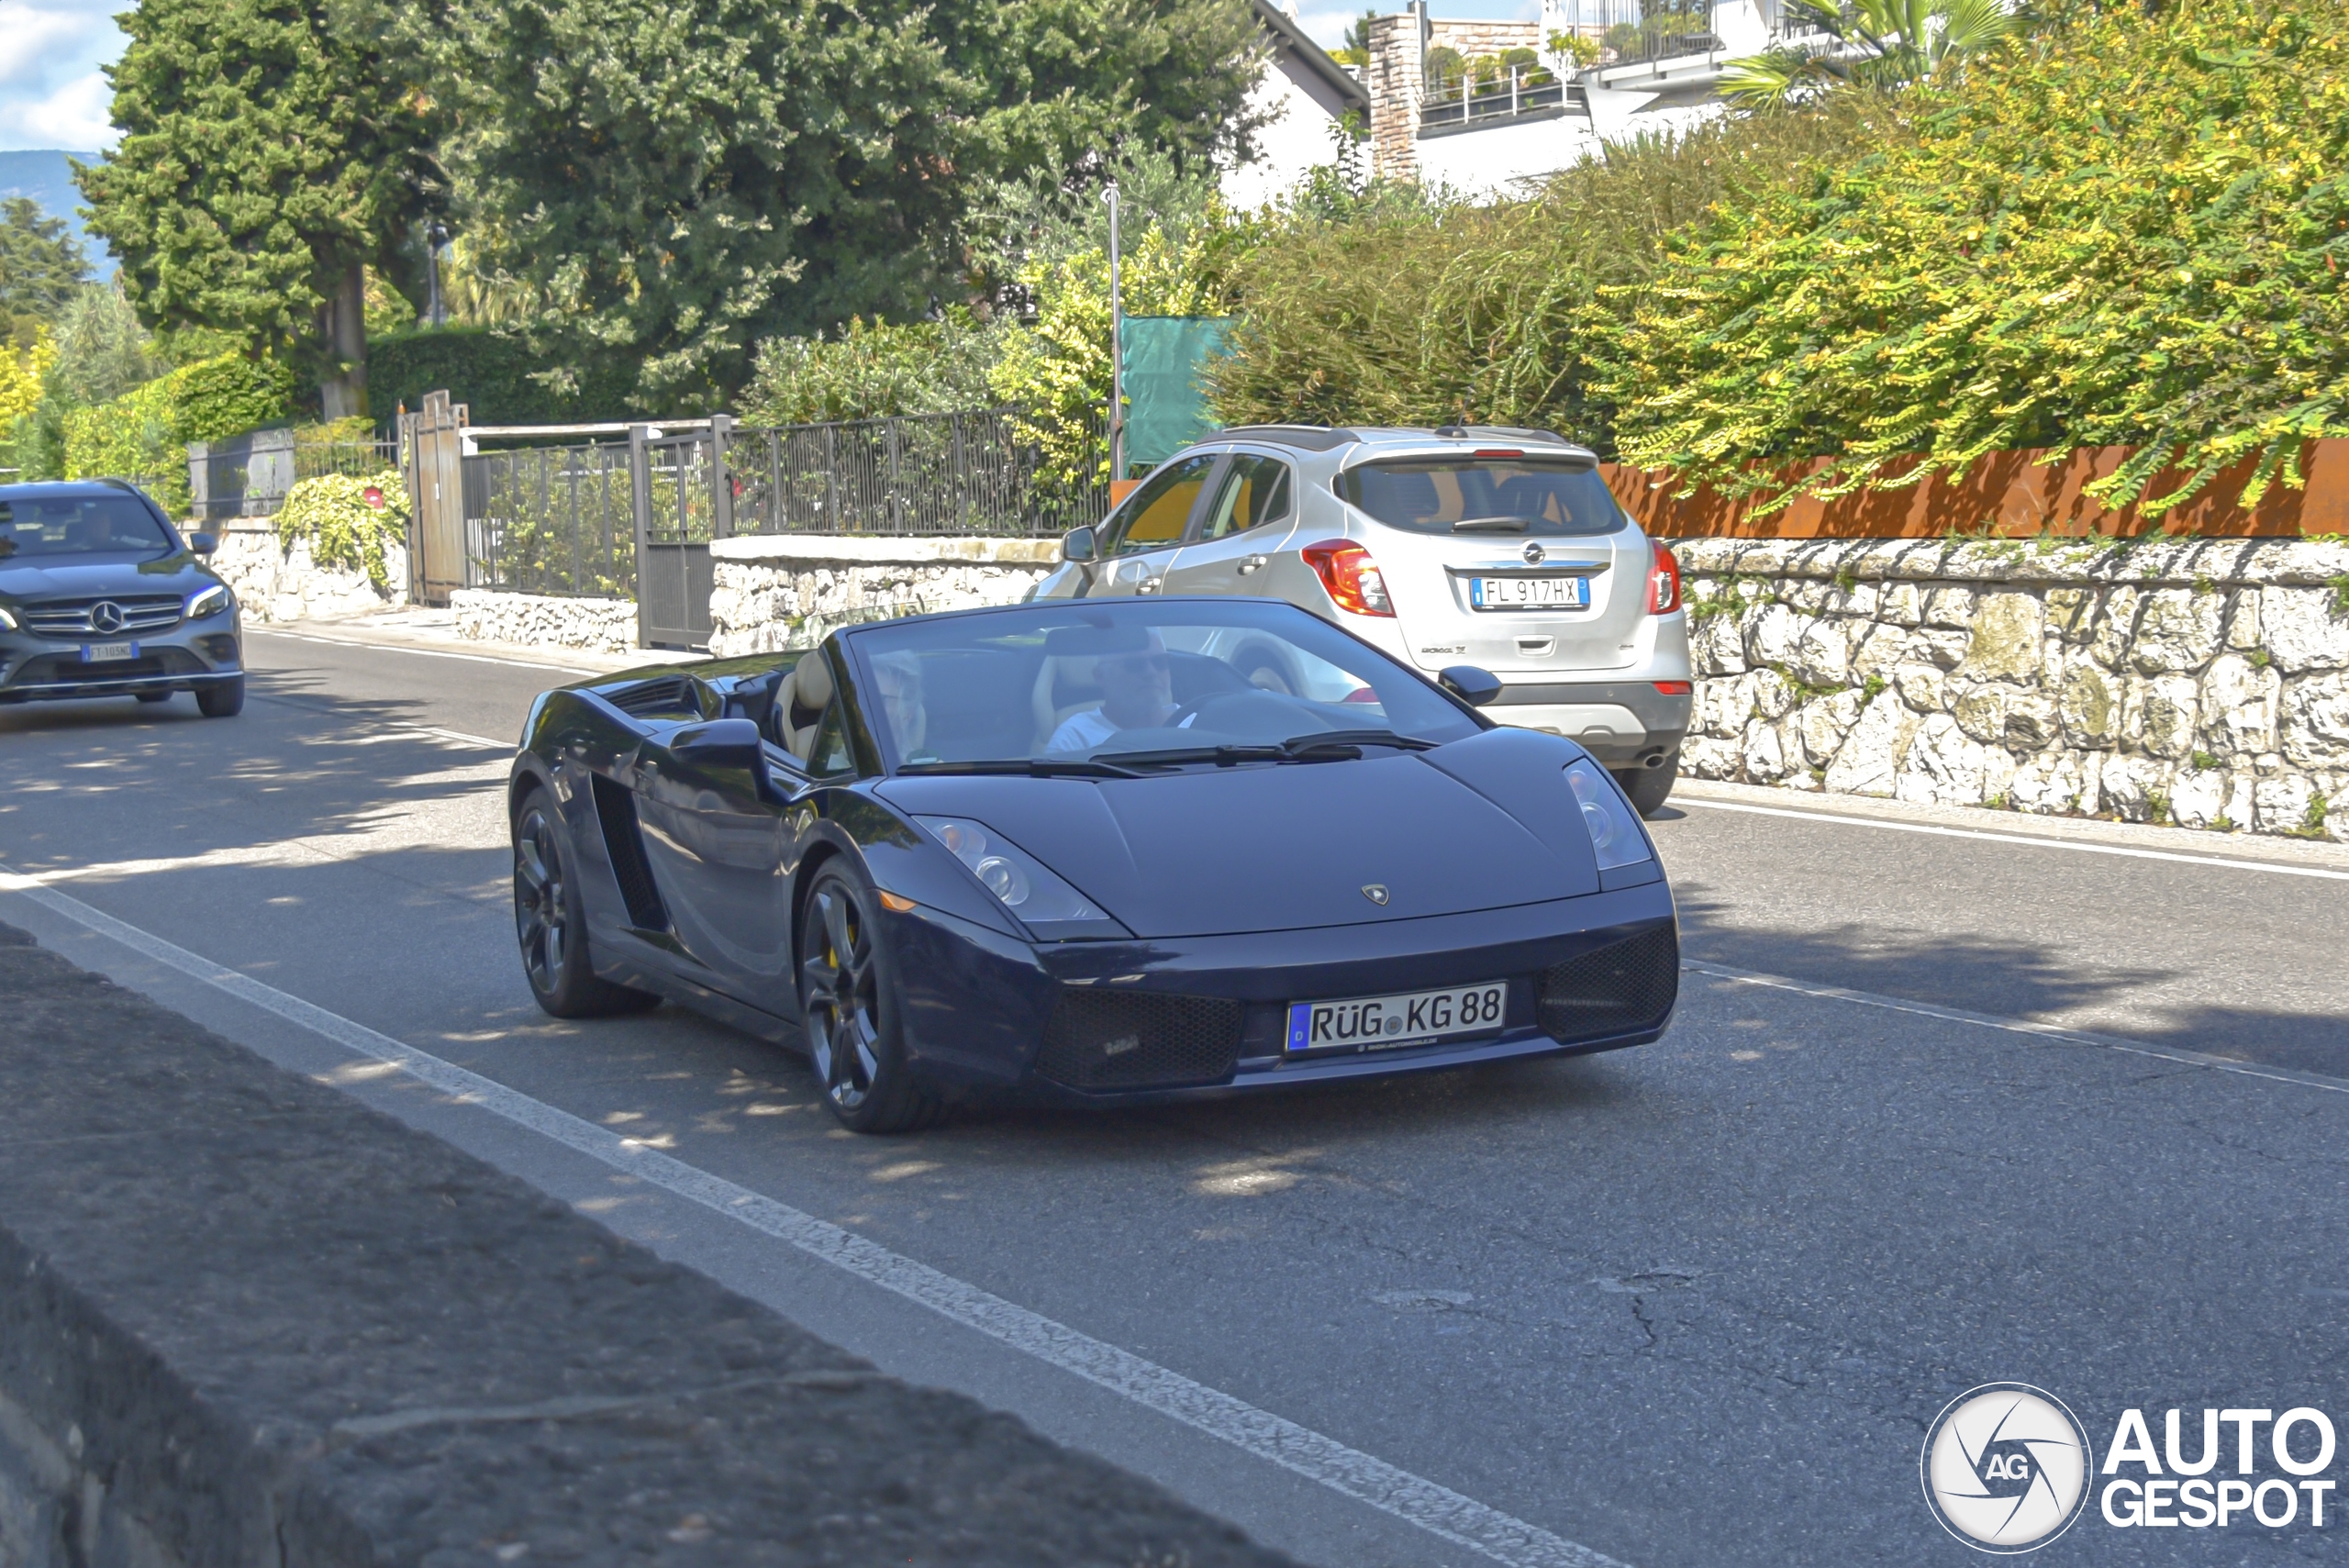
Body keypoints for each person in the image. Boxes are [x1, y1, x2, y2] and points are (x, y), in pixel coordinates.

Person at [1048, 630, 1191, 751]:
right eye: (1134, 664)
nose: (1151, 672)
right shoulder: (1075, 739)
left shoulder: (1195, 724)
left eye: (1160, 661)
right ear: (1100, 676)